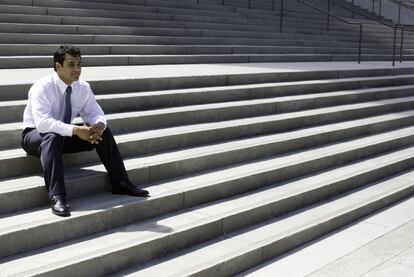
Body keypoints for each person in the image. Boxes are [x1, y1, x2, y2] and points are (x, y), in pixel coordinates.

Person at [21, 45, 149, 217]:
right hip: (35, 136)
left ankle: (121, 183)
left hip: (64, 135)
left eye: (79, 64)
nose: (77, 69)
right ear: (58, 67)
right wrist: (76, 130)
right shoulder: (42, 87)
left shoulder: (82, 87)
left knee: (103, 132)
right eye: (71, 64)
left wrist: (99, 126)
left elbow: (95, 113)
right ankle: (57, 196)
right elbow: (43, 124)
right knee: (51, 137)